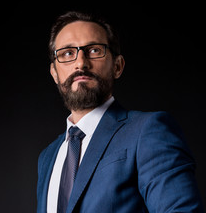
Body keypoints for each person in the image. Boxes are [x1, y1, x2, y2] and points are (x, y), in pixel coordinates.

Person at [36, 11, 204, 213]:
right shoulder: (47, 157)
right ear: (54, 73)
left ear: (117, 66)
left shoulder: (148, 130)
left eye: (94, 50)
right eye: (68, 53)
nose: (80, 63)